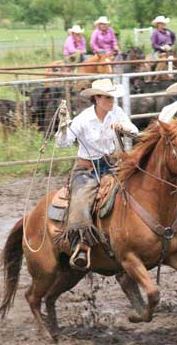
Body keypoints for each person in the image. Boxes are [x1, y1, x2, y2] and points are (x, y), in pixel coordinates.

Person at [55, 78, 138, 270]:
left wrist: (123, 128)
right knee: (82, 200)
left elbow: (134, 130)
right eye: (108, 98)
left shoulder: (117, 113)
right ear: (97, 99)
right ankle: (80, 244)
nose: (112, 101)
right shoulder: (84, 119)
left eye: (112, 98)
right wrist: (63, 127)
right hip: (87, 169)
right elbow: (63, 143)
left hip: (114, 167)